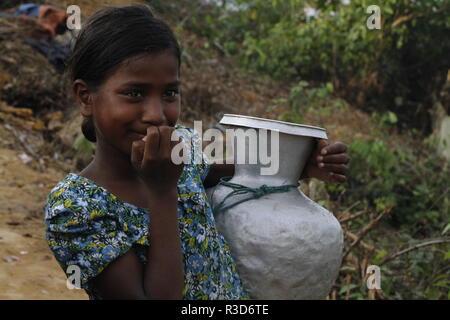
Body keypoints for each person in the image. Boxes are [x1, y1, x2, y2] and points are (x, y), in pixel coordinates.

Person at [44, 5, 349, 300]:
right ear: (85, 97)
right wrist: (162, 191)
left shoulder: (183, 148)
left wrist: (297, 167)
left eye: (169, 93)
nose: (156, 114)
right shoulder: (76, 209)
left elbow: (213, 172)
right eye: (134, 93)